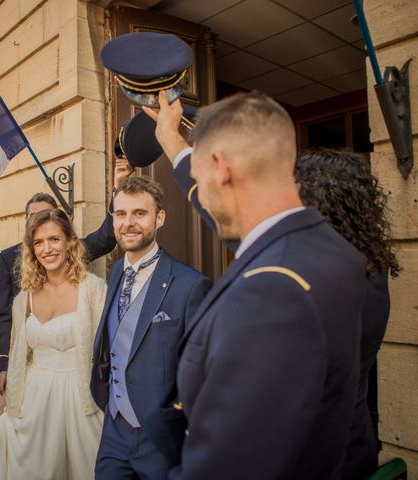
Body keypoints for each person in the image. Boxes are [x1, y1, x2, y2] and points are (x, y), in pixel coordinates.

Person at [146, 90, 368, 479]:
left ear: (221, 167)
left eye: (200, 178)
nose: (203, 197)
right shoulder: (329, 248)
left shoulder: (270, 294)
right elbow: (255, 238)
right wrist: (171, 140)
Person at [91, 176, 211, 479]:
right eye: (120, 214)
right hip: (114, 431)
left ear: (159, 218)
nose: (128, 223)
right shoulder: (117, 271)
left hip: (161, 438)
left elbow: (200, 372)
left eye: (139, 213)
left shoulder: (190, 286)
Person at [295, 149, 401, 480]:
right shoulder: (368, 265)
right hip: (353, 441)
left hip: (316, 456)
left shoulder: (320, 275)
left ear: (318, 201)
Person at [0, 157, 133, 394]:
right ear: (26, 223)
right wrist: (1, 365)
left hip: (75, 374)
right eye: (35, 218)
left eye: (48, 217)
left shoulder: (70, 251)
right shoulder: (6, 259)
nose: (42, 225)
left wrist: (118, 190)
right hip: (28, 365)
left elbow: (106, 237)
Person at [0, 208, 107, 480]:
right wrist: (7, 399)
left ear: (70, 242)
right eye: (38, 242)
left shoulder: (94, 290)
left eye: (54, 239)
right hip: (34, 399)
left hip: (81, 397)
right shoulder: (23, 298)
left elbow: (110, 351)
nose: (47, 249)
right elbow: (19, 357)